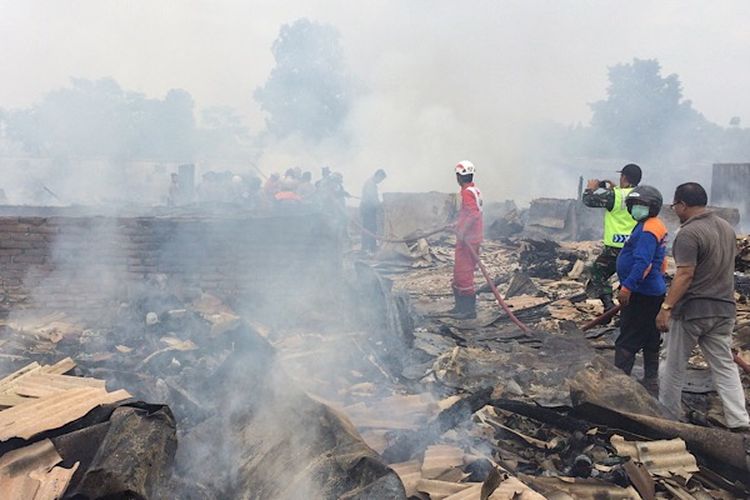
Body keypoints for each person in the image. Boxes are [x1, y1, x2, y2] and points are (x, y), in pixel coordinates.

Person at [656, 183, 750, 430]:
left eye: (675, 205)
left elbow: (685, 274)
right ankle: (739, 420)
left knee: (672, 364)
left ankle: (667, 418)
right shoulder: (726, 229)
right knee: (725, 366)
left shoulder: (688, 233)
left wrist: (666, 307)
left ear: (683, 205)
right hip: (724, 310)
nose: (675, 209)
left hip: (692, 311)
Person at [614, 185, 667, 394]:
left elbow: (642, 263)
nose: (636, 209)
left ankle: (618, 384)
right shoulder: (651, 225)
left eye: (641, 205)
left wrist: (627, 287)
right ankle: (651, 380)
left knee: (628, 337)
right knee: (650, 336)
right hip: (651, 292)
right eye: (634, 205)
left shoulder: (648, 229)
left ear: (652, 207)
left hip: (642, 293)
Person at [583, 163, 642, 311]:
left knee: (598, 273)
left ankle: (608, 304)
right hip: (635, 246)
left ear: (623, 177)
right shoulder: (642, 194)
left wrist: (591, 188)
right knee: (629, 279)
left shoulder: (615, 195)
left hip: (615, 248)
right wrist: (616, 189)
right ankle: (627, 310)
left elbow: (588, 200)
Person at [449, 161, 483, 319]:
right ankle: (459, 308)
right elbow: (468, 214)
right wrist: (457, 224)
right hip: (472, 238)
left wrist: (462, 231)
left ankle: (468, 311)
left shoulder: (467, 193)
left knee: (464, 275)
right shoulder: (474, 190)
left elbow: (474, 213)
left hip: (468, 240)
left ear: (458, 177)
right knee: (458, 274)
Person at [360, 169, 387, 253]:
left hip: (369, 209)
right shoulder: (370, 184)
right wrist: (380, 206)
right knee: (369, 228)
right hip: (367, 209)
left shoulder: (372, 183)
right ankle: (368, 247)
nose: (380, 181)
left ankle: (370, 246)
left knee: (371, 227)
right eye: (381, 179)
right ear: (378, 175)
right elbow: (373, 198)